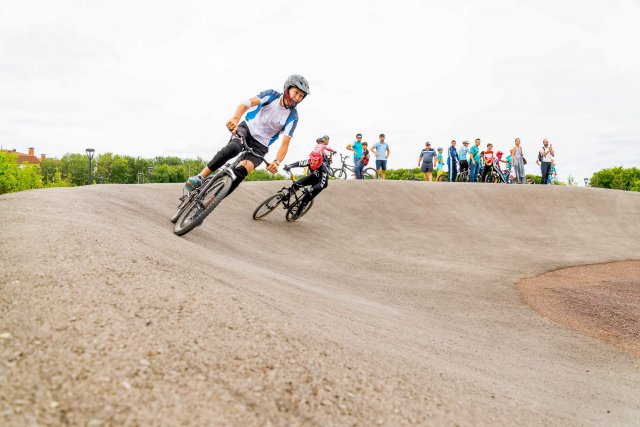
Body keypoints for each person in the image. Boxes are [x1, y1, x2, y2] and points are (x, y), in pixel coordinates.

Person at [185, 74, 310, 195]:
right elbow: (246, 103)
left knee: (240, 173)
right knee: (233, 148)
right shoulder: (272, 96)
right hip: (247, 129)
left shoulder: (293, 117)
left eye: (301, 96)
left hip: (261, 146)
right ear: (287, 89)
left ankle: (212, 200)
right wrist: (235, 119)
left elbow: (285, 144)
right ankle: (200, 177)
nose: (297, 97)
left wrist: (277, 162)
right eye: (296, 92)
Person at [283, 143, 331, 219]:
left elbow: (321, 184)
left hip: (320, 183)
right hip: (312, 177)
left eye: (316, 161)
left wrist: (312, 189)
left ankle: (299, 212)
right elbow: (299, 163)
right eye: (312, 160)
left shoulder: (323, 169)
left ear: (320, 159)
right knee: (297, 184)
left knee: (307, 196)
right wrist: (289, 166)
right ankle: (288, 195)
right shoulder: (310, 161)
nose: (313, 162)